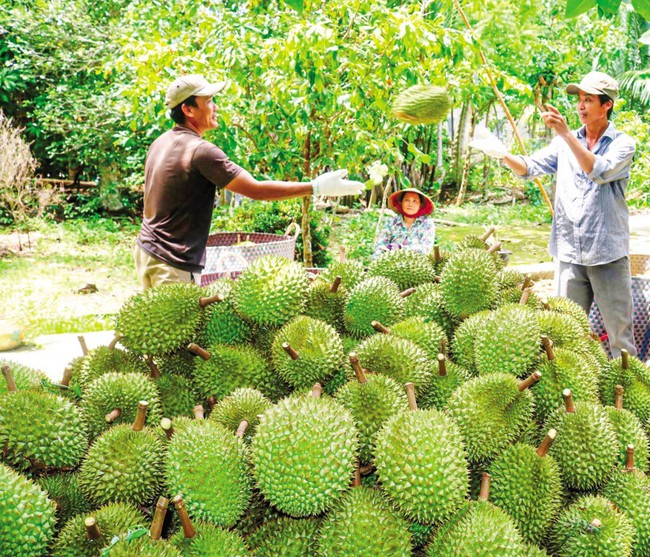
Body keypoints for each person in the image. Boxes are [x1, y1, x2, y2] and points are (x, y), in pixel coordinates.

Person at [135, 74, 364, 288]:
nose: (215, 108)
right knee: (177, 330)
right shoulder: (201, 151)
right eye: (209, 101)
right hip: (172, 260)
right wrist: (315, 187)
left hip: (147, 250)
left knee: (154, 329)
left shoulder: (161, 142)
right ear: (188, 109)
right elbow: (256, 190)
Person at [470, 71, 637, 358]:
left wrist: (566, 134)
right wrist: (502, 154)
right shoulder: (565, 143)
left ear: (607, 104)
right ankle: (577, 394)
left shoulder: (623, 144)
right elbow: (530, 167)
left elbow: (597, 170)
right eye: (579, 100)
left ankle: (629, 395)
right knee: (566, 332)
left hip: (607, 253)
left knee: (619, 335)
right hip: (569, 252)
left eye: (588, 100)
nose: (581, 106)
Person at [373, 188, 436, 258]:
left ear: (420, 205)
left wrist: (400, 248)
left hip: (416, 263)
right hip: (391, 262)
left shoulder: (427, 224)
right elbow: (380, 245)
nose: (410, 204)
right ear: (401, 202)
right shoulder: (391, 222)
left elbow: (426, 249)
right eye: (407, 200)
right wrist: (375, 262)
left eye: (415, 201)